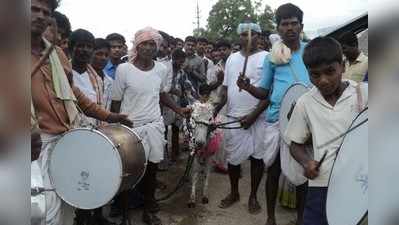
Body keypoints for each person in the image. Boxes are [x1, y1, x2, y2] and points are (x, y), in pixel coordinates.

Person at [31, 1, 132, 224]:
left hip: (64, 141)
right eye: (33, 9)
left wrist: (110, 116)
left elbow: (73, 93)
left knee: (66, 207)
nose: (40, 16)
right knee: (41, 213)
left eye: (45, 12)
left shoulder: (56, 54)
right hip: (31, 149)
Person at [236, 4, 310, 225]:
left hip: (306, 122)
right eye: (284, 24)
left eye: (293, 23)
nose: (289, 28)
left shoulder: (311, 51)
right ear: (278, 28)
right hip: (276, 121)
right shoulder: (272, 57)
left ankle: (300, 219)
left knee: (303, 174)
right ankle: (270, 218)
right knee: (274, 171)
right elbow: (265, 92)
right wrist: (248, 87)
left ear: (301, 26)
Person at [111, 27, 191, 225]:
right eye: (144, 43)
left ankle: (148, 210)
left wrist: (179, 110)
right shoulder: (124, 69)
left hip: (154, 125)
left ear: (157, 47)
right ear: (136, 46)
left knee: (151, 171)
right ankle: (125, 214)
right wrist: (113, 127)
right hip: (130, 128)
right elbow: (116, 101)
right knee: (128, 172)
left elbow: (161, 95)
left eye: (152, 44)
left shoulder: (161, 69)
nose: (148, 47)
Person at [286, 36, 368, 225]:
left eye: (330, 71)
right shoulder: (304, 103)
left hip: (361, 182)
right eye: (315, 75)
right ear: (307, 73)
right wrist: (306, 162)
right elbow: (295, 144)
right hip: (322, 185)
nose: (323, 80)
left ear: (343, 66)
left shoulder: (364, 93)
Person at [213, 21, 269, 215]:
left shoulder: (267, 58)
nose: (248, 38)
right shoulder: (232, 59)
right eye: (244, 35)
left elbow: (269, 93)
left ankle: (253, 195)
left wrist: (253, 116)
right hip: (235, 116)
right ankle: (234, 192)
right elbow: (227, 89)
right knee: (234, 159)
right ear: (239, 37)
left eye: (253, 34)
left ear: (259, 37)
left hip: (258, 118)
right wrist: (216, 108)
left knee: (257, 158)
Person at [91, 38, 114, 110]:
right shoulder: (83, 77)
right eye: (99, 54)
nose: (103, 58)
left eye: (106, 55)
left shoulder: (110, 81)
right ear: (91, 54)